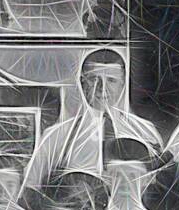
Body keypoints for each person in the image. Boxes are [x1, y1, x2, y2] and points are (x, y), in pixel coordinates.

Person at [23, 49, 163, 189]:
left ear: (123, 84)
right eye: (94, 80)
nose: (102, 88)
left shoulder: (145, 133)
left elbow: (157, 188)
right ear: (82, 83)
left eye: (111, 81)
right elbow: (31, 187)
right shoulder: (57, 136)